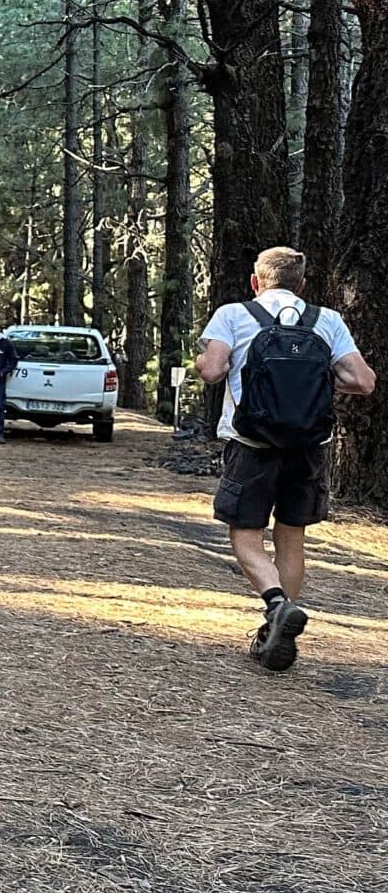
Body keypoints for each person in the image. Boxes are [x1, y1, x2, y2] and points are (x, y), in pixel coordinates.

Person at [194, 245, 375, 671]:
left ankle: (276, 607)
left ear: (256, 282)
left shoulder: (234, 315)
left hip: (252, 445)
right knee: (290, 538)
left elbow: (212, 370)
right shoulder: (326, 321)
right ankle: (276, 626)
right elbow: (363, 382)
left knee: (245, 535)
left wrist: (206, 356)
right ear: (303, 285)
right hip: (309, 448)